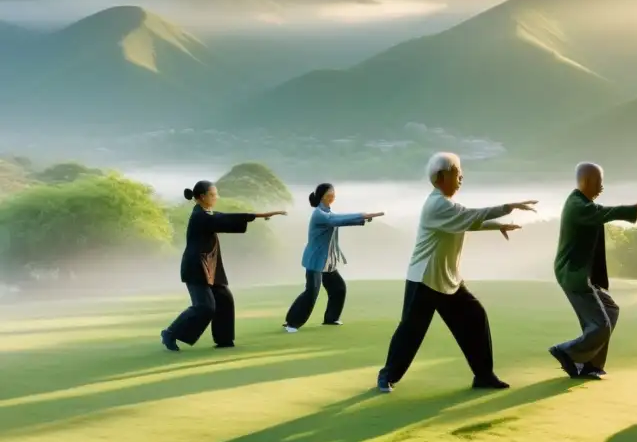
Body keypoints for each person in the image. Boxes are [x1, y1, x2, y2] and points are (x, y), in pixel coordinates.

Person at [376, 152, 537, 393]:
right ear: (441, 177)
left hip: (447, 279)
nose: (461, 177)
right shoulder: (437, 204)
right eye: (456, 172)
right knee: (411, 330)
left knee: (475, 317)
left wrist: (498, 225)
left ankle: (483, 375)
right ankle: (386, 376)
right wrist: (506, 208)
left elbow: (466, 221)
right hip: (424, 278)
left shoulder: (446, 205)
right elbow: (469, 217)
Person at [548, 162, 637, 379]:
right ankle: (565, 351)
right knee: (600, 325)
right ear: (586, 181)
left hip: (583, 274)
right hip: (573, 274)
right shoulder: (578, 205)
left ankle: (591, 364)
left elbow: (601, 213)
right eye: (598, 182)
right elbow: (606, 212)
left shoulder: (582, 203)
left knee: (610, 310)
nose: (601, 187)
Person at [161, 180, 285, 352]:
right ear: (202, 197)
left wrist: (259, 215)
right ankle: (170, 333)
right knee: (205, 307)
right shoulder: (200, 216)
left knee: (225, 299)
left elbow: (222, 216)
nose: (216, 197)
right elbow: (222, 219)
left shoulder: (206, 213)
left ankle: (224, 339)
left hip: (210, 267)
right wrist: (256, 216)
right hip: (196, 268)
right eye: (213, 194)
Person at [283, 183, 385, 333]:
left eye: (334, 193)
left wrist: (361, 219)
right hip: (316, 261)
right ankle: (292, 323)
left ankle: (331, 318)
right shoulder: (319, 213)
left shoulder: (327, 212)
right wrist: (361, 216)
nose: (333, 195)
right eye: (330, 193)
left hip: (327, 262)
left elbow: (338, 219)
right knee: (311, 292)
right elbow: (335, 220)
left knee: (338, 288)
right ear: (322, 196)